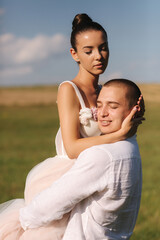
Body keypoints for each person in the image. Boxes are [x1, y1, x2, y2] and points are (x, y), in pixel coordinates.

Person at [0, 14, 141, 240]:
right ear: (74, 54)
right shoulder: (68, 89)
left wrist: (132, 118)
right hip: (65, 176)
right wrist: (119, 135)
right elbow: (72, 147)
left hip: (95, 174)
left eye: (103, 48)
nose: (98, 56)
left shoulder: (106, 91)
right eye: (89, 51)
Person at [19, 78, 145, 239]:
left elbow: (51, 203)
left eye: (113, 106)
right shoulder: (131, 147)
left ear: (134, 110)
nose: (103, 113)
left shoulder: (101, 155)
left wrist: (22, 219)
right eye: (99, 105)